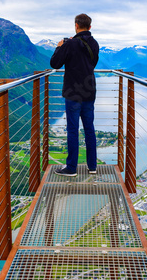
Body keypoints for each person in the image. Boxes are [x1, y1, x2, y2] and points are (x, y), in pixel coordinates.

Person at [50, 13, 99, 177]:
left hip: (73, 94)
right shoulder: (94, 44)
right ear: (90, 27)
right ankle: (92, 166)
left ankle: (71, 168)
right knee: (89, 130)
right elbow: (92, 64)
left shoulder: (70, 44)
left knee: (73, 130)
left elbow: (54, 63)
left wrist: (60, 46)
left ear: (76, 25)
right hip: (89, 92)